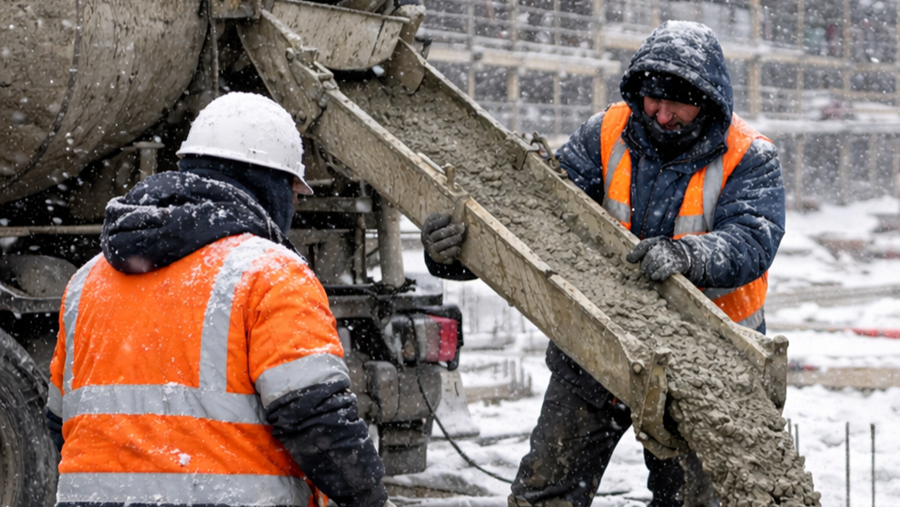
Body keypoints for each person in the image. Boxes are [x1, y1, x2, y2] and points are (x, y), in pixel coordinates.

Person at [420, 21, 785, 507]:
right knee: (546, 493)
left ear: (709, 101)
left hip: (708, 358)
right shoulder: (607, 131)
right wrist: (455, 256)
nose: (662, 113)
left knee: (692, 502)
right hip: (597, 345)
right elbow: (536, 219)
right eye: (653, 99)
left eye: (677, 102)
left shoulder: (750, 156)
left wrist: (688, 255)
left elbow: (752, 240)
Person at [45, 92, 390, 507]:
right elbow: (318, 422)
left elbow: (62, 422)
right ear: (270, 186)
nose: (294, 207)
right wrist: (369, 498)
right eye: (294, 194)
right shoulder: (270, 273)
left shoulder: (88, 280)